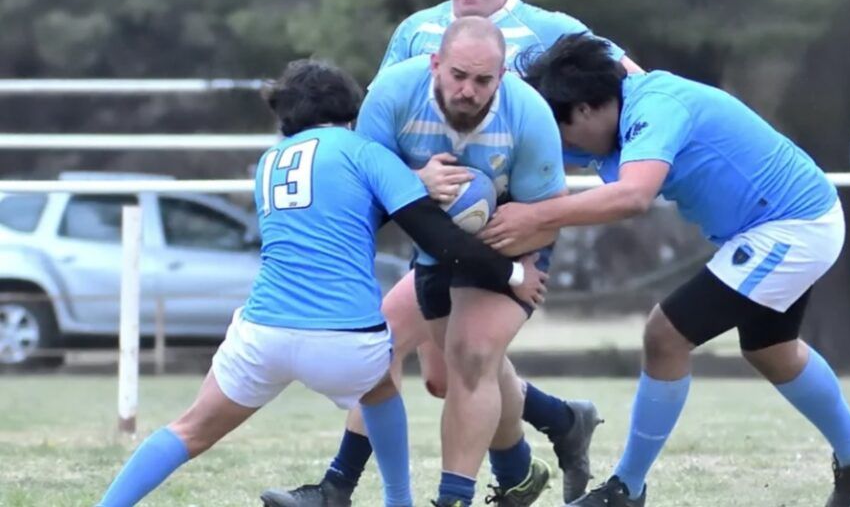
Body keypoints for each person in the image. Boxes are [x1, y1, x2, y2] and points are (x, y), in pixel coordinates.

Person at [262, 0, 641, 505]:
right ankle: (549, 434)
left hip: (519, 220)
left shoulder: (551, 31)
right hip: (437, 225)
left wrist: (633, 165)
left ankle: (345, 488)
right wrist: (414, 180)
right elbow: (375, 150)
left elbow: (634, 90)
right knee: (443, 372)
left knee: (457, 352)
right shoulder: (417, 35)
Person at [95, 59, 546, 507]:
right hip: (343, 340)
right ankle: (399, 501)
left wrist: (409, 182)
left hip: (263, 333)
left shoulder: (269, 163)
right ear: (351, 108)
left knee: (189, 430)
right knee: (380, 390)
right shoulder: (365, 152)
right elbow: (438, 239)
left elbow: (339, 211)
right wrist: (512, 273)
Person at [479, 33, 850, 507]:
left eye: (566, 131)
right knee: (772, 351)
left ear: (587, 109)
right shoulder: (600, 119)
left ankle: (626, 489)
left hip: (793, 226)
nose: (566, 146)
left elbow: (634, 196)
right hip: (777, 228)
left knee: (666, 336)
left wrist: (533, 218)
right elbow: (531, 154)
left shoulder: (655, 108)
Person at [368, 16, 564, 507]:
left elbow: (548, 216)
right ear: (435, 63)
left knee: (473, 353)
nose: (468, 91)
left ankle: (452, 497)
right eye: (457, 75)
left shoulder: (528, 113)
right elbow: (363, 189)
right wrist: (413, 182)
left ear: (502, 78)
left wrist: (513, 264)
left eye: (482, 81)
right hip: (432, 243)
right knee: (446, 376)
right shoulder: (392, 96)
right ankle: (523, 466)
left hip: (510, 240)